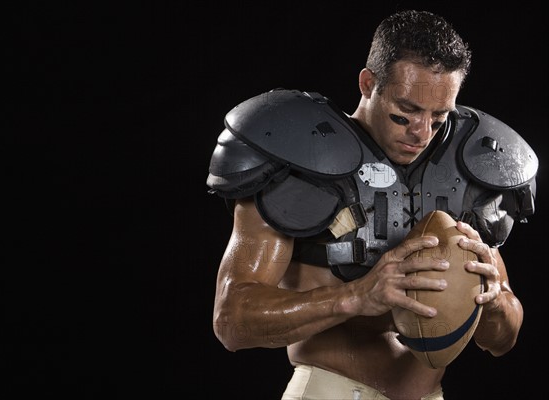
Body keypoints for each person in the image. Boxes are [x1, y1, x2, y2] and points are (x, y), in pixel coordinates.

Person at [205, 10, 537, 400]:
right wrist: (357, 296)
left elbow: (502, 340)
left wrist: (494, 299)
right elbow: (232, 320)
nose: (421, 133)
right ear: (368, 83)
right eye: (405, 113)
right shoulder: (298, 161)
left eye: (438, 117)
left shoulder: (467, 170)